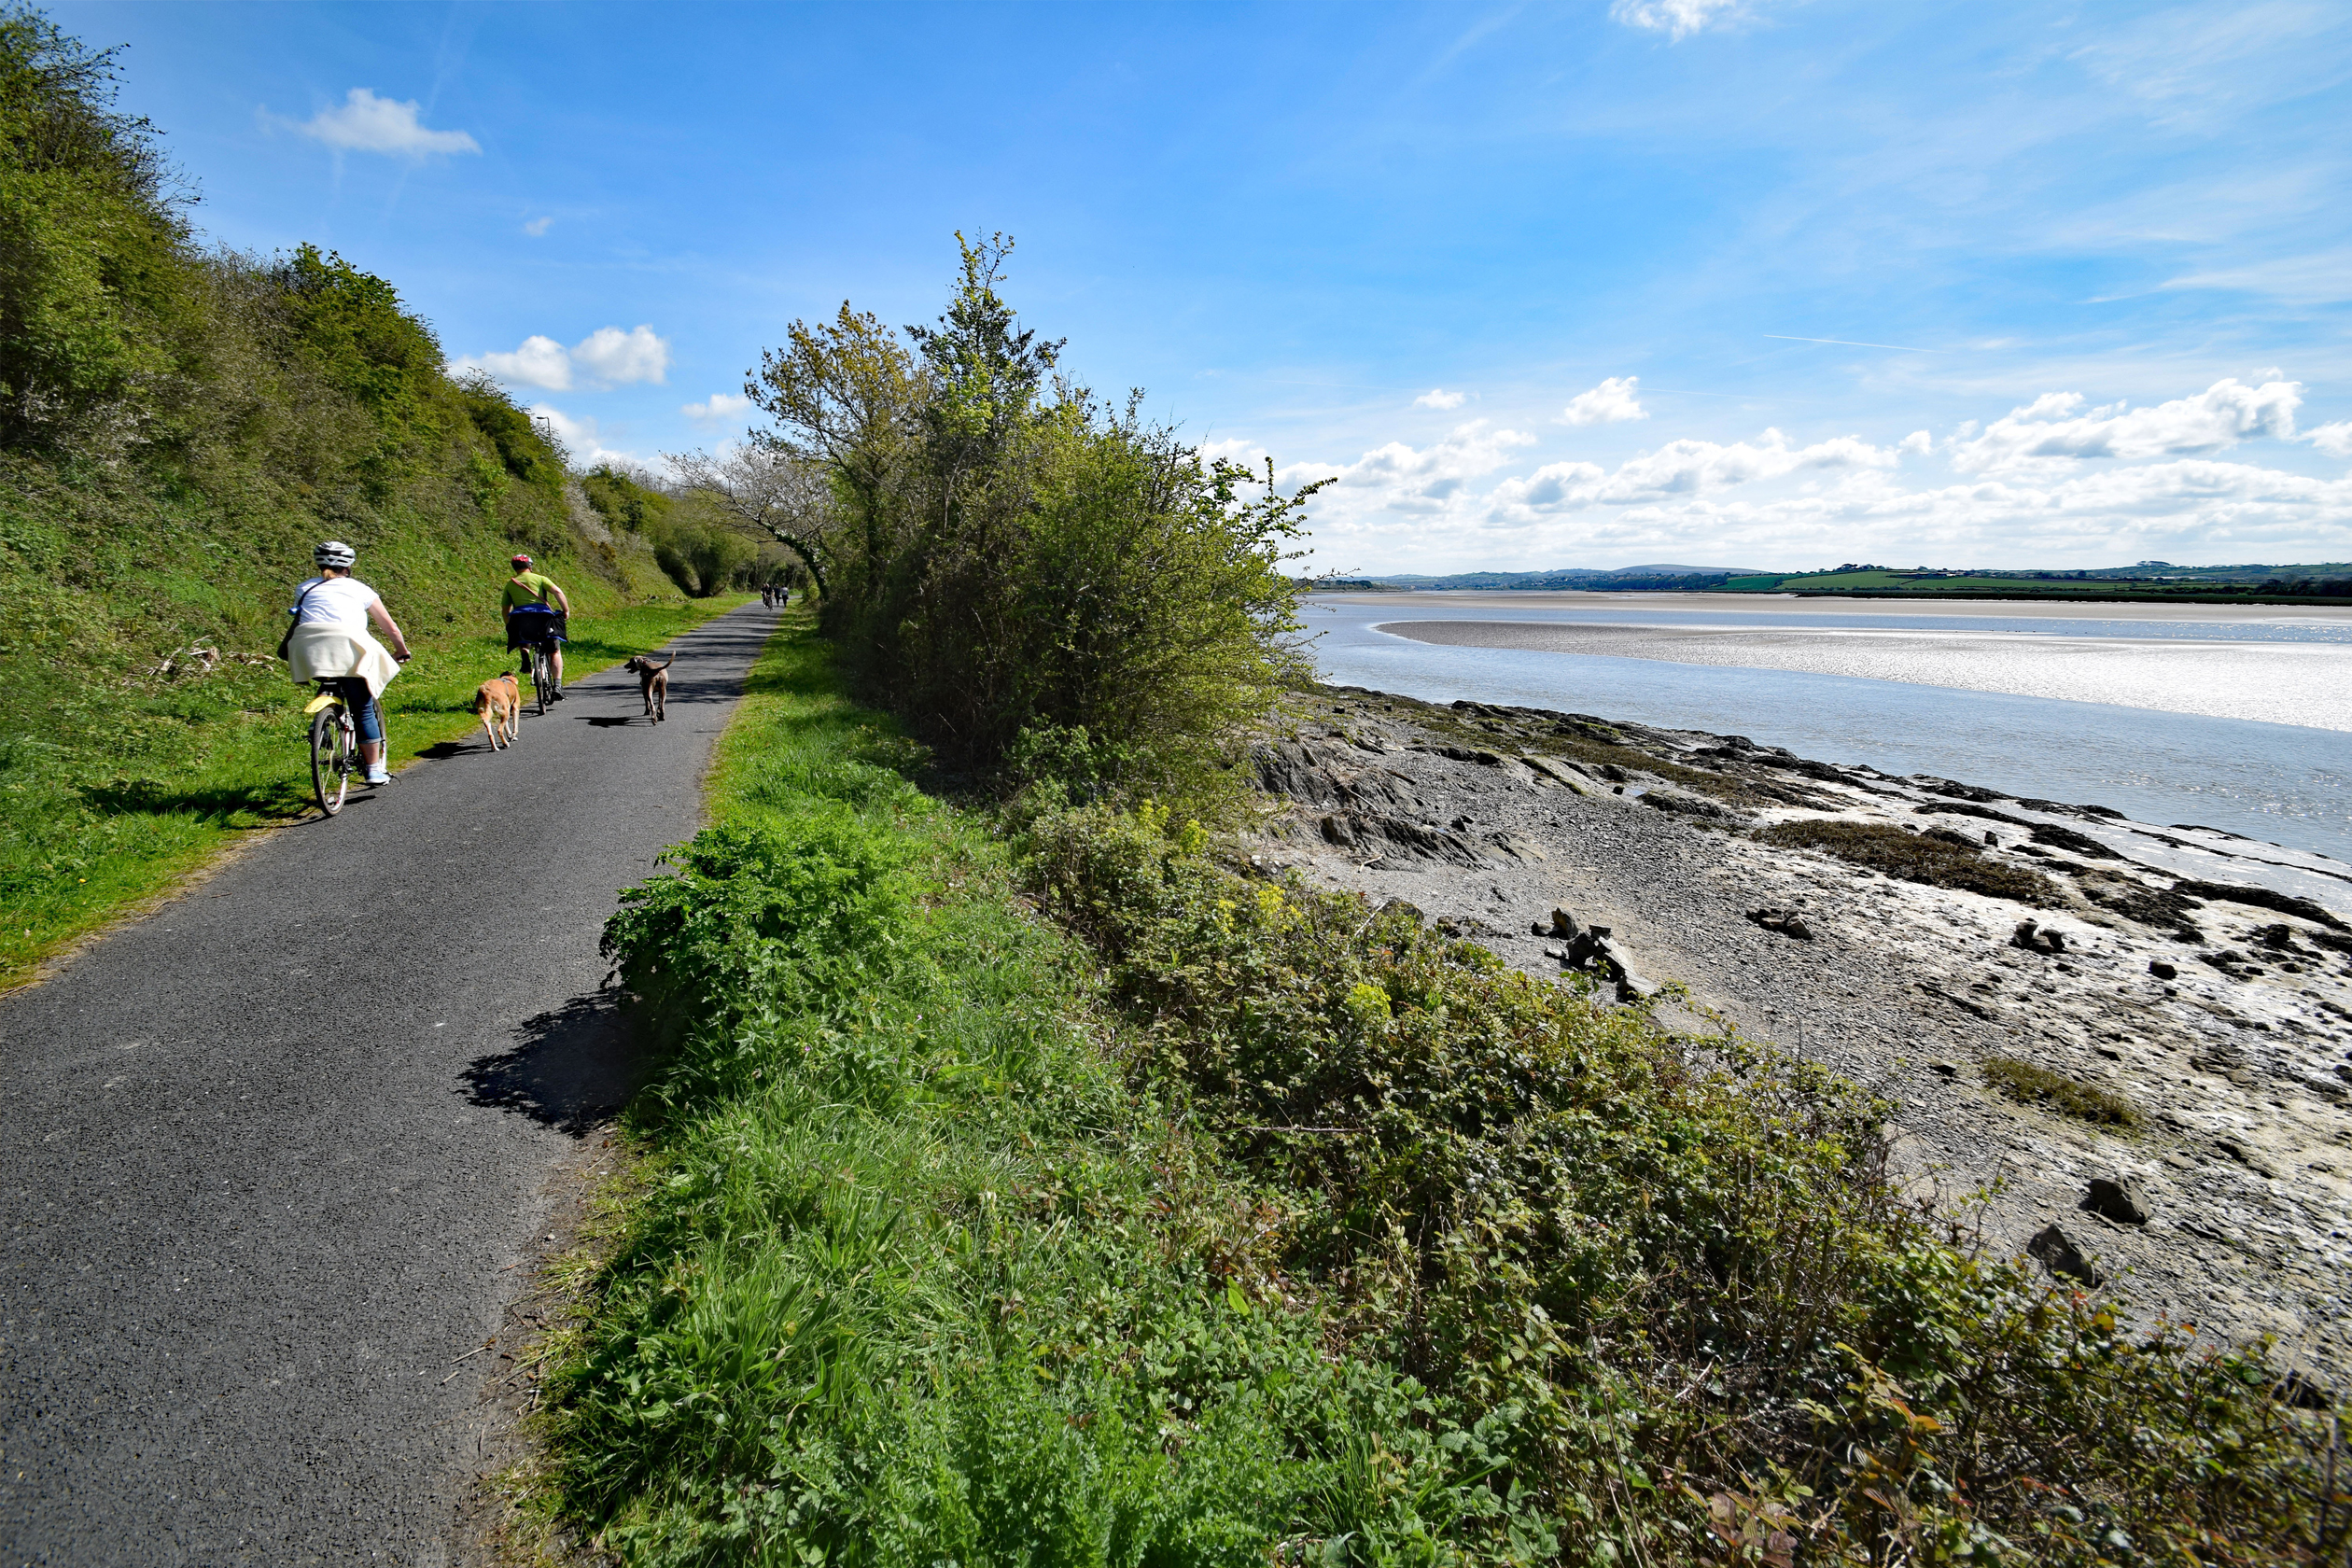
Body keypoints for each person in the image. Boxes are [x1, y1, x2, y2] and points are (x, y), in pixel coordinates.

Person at [282, 540, 412, 786]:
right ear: (349, 565)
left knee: (329, 675)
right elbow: (390, 627)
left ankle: (320, 718)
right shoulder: (361, 589)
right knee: (362, 708)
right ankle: (373, 770)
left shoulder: (305, 588)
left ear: (318, 562)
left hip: (309, 646)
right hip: (348, 645)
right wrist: (401, 650)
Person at [501, 553, 572, 695]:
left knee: (523, 636)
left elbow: (505, 609)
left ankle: (525, 656)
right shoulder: (540, 579)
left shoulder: (510, 584)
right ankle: (557, 685)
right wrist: (566, 610)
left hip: (520, 618)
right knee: (554, 651)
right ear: (529, 566)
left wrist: (509, 624)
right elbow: (557, 591)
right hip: (542, 618)